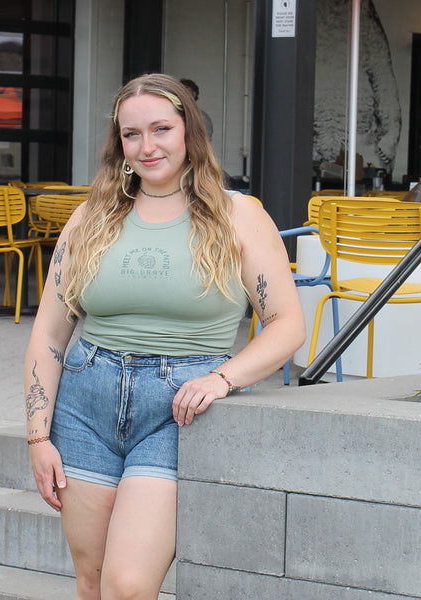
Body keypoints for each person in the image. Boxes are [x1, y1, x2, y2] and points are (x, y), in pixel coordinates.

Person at [24, 73, 305, 600]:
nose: (147, 146)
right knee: (91, 580)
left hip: (179, 407)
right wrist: (39, 436)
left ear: (189, 131)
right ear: (119, 144)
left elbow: (287, 323)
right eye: (132, 134)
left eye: (161, 129)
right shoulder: (91, 217)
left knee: (127, 585)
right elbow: (50, 332)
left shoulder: (238, 214)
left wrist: (225, 377)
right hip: (85, 404)